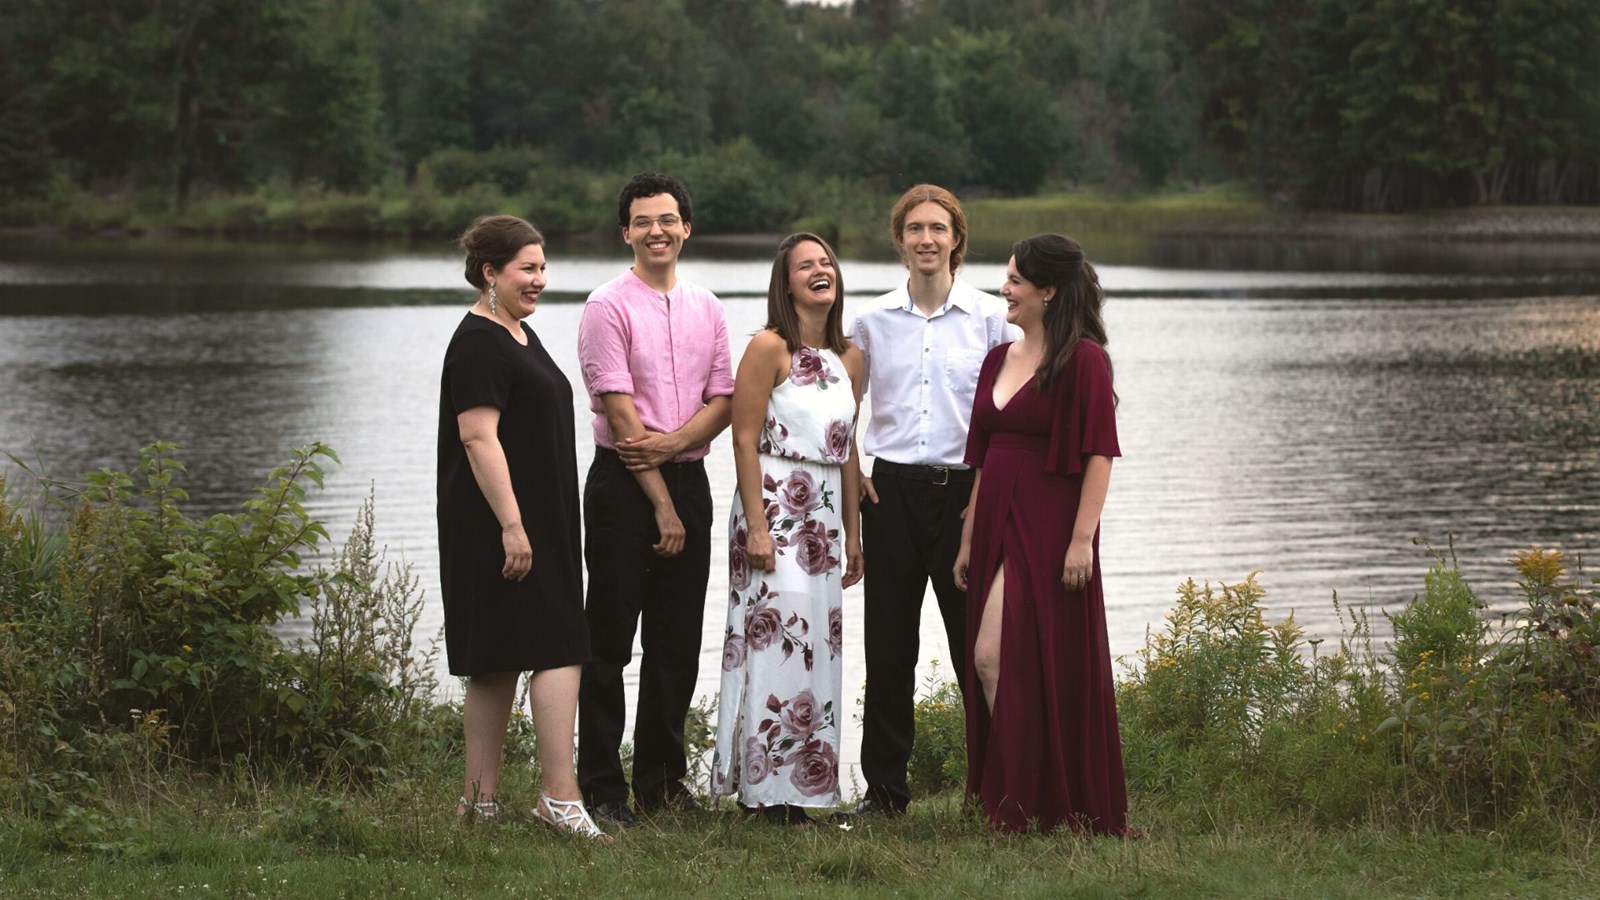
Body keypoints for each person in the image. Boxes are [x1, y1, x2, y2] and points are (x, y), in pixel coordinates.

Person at [842, 184, 1015, 817]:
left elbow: (1004, 416)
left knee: (977, 647)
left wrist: (987, 488)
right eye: (913, 228)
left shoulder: (993, 319)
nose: (925, 239)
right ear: (900, 239)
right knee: (888, 649)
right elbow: (844, 414)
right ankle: (884, 794)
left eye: (937, 228)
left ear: (956, 239)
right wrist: (854, 476)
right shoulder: (870, 321)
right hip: (890, 494)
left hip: (966, 496)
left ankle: (991, 789)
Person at [953, 233, 1131, 835]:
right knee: (1000, 660)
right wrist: (969, 536)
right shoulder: (995, 359)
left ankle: (1032, 799)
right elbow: (983, 454)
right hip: (996, 515)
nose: (1004, 289)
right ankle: (1024, 799)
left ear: (1047, 291)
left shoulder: (1083, 360)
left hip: (1052, 524)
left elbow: (1100, 454)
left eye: (1014, 281)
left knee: (995, 657)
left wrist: (1082, 539)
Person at [436, 215, 607, 840]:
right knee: (560, 645)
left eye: (542, 268)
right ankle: (559, 798)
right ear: (490, 272)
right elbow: (477, 436)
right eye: (526, 269)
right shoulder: (480, 341)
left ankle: (479, 806)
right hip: (502, 521)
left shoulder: (517, 333)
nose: (539, 279)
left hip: (536, 519)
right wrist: (513, 525)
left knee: (499, 657)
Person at [576, 173, 734, 827]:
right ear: (626, 233)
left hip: (689, 481)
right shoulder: (606, 305)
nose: (656, 231)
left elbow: (724, 400)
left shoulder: (709, 306)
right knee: (609, 641)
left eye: (667, 219)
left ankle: (664, 784)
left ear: (686, 227)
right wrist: (661, 504)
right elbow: (617, 408)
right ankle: (603, 789)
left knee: (676, 641)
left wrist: (672, 453)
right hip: (621, 486)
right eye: (643, 221)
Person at [710, 233, 865, 824]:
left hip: (824, 519)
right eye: (807, 265)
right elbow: (743, 438)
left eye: (827, 261)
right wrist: (756, 526)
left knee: (817, 650)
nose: (821, 270)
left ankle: (804, 791)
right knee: (774, 644)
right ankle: (762, 795)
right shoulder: (768, 347)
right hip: (774, 509)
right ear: (787, 281)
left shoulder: (852, 358)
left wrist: (854, 533)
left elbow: (849, 451)